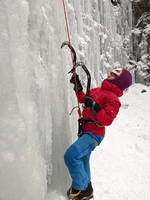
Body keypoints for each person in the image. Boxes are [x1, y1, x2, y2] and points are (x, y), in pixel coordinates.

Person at [64, 68, 132, 200]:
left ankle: (80, 187)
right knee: (83, 159)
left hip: (94, 133)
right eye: (110, 72)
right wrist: (78, 87)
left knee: (71, 155)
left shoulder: (113, 99)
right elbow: (84, 99)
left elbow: (107, 119)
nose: (109, 74)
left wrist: (95, 106)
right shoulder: (98, 90)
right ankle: (88, 190)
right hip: (86, 130)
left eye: (113, 75)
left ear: (119, 82)